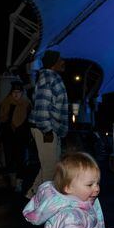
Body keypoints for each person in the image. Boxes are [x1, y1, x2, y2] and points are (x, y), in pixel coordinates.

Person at [27, 50, 69, 198]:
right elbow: (42, 107)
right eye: (60, 59)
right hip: (45, 129)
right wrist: (47, 131)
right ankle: (44, 204)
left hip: (49, 128)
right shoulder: (48, 78)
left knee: (49, 165)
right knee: (50, 168)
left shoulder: (51, 77)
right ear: (53, 63)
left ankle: (33, 194)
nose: (63, 61)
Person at [0, 80, 31, 192]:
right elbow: (1, 119)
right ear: (11, 93)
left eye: (18, 92)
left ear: (22, 93)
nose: (16, 94)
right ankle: (13, 180)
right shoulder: (6, 102)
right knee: (9, 159)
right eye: (14, 92)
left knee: (21, 160)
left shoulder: (27, 104)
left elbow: (30, 122)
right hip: (8, 136)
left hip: (21, 137)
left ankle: (19, 182)